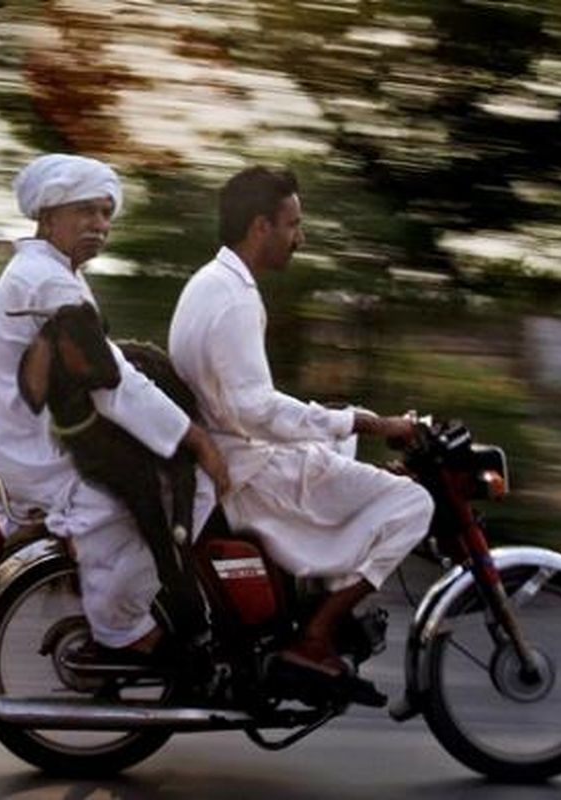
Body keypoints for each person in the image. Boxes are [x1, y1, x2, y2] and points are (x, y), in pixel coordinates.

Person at [168, 166, 434, 685]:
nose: (300, 237)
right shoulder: (236, 301)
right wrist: (368, 421)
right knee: (413, 503)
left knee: (344, 444)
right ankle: (316, 635)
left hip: (238, 456)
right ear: (261, 227)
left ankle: (312, 608)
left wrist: (347, 424)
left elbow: (248, 406)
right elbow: (257, 411)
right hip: (249, 471)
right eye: (293, 224)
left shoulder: (209, 283)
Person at [0, 153, 229, 661]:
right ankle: (123, 626)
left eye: (106, 213)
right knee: (193, 488)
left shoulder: (50, 271)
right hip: (39, 447)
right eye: (85, 211)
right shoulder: (45, 281)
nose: (100, 225)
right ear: (48, 217)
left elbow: (107, 364)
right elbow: (114, 383)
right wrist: (198, 440)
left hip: (39, 431)